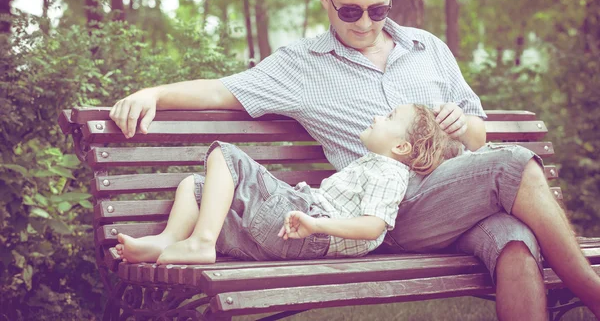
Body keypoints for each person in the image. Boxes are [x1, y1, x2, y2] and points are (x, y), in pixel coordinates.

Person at [109, 0, 600, 320]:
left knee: (515, 240)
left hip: (461, 202)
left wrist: (466, 125)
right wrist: (155, 93)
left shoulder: (427, 48)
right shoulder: (302, 65)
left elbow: (477, 133)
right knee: (514, 163)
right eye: (350, 10)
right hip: (391, 215)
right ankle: (593, 292)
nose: (365, 23)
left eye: (378, 9)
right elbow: (222, 90)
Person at [115, 104, 462, 264]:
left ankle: (201, 242)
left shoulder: (389, 172)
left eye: (388, 118)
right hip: (287, 237)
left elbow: (373, 227)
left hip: (306, 227)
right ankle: (168, 242)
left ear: (400, 147)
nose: (376, 116)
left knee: (226, 154)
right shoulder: (378, 164)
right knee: (198, 187)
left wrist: (316, 223)